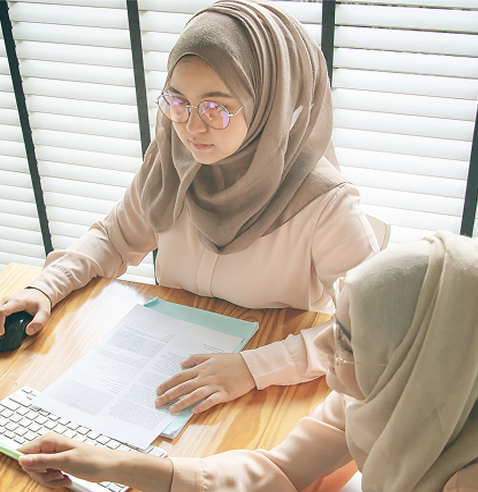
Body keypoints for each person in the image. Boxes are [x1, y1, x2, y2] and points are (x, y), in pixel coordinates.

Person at [18, 230, 478, 492]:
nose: (326, 355)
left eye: (349, 343)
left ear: (422, 366)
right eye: (335, 329)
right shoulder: (390, 396)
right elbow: (280, 472)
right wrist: (120, 464)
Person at [0, 0, 377, 410]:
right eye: (178, 103)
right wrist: (46, 287)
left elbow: (369, 326)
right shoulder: (172, 162)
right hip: (167, 376)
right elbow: (113, 239)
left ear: (272, 102)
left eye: (216, 108)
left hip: (269, 393)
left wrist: (253, 368)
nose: (192, 128)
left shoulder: (326, 203)